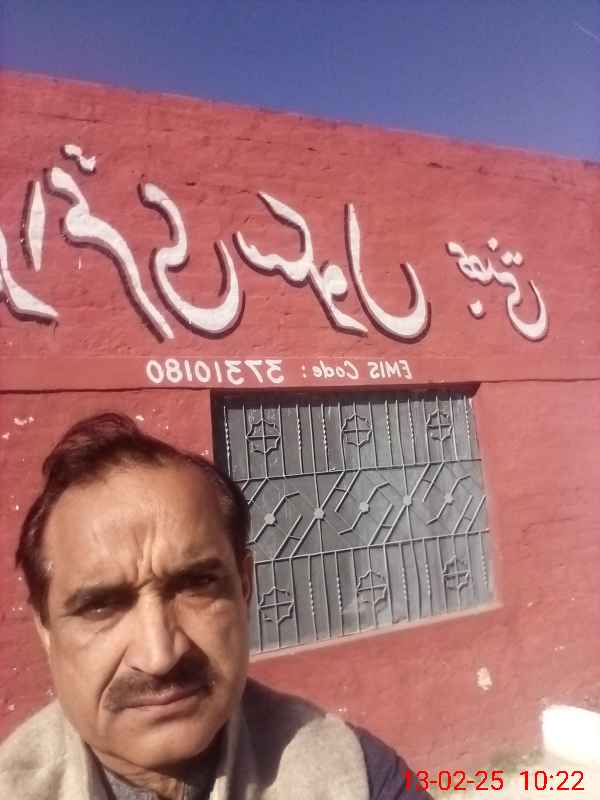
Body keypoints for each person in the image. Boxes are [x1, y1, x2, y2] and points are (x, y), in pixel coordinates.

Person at [0, 413, 432, 800]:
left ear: (244, 588)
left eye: (196, 585)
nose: (160, 656)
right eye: (101, 606)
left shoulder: (354, 775)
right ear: (45, 628)